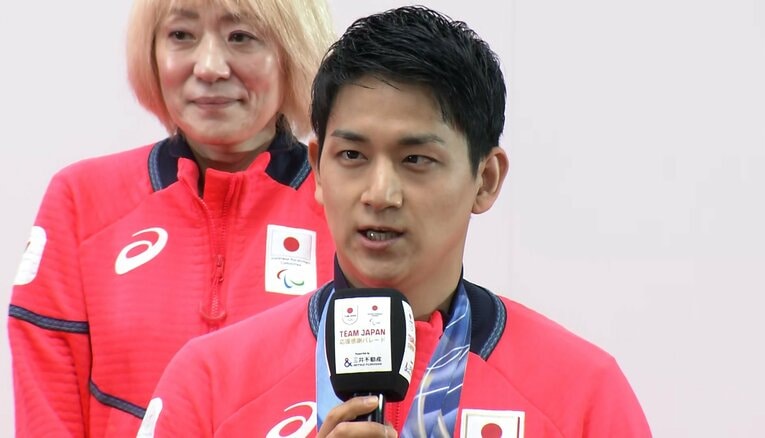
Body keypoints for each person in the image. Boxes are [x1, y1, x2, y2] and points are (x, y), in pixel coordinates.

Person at [138, 6, 652, 437]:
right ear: (317, 170)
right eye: (352, 156)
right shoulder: (210, 381)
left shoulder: (582, 393)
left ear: (486, 179)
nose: (379, 194)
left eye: (415, 160)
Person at [7, 0, 335, 436]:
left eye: (241, 37)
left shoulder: (346, 212)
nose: (210, 66)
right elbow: (47, 416)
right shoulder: (82, 202)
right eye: (181, 35)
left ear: (293, 50)